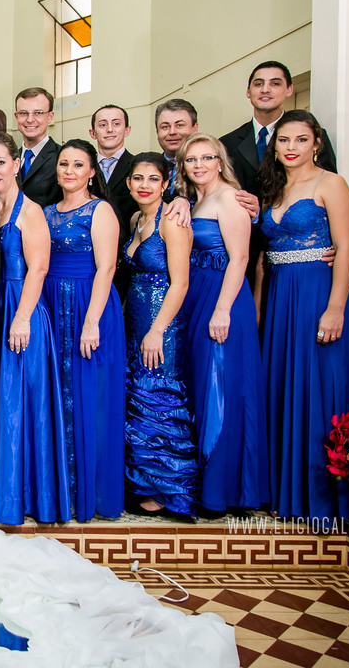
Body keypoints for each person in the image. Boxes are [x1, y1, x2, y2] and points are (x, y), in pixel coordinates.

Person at [257, 110, 349, 520]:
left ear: (316, 143)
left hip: (317, 293)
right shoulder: (273, 189)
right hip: (279, 295)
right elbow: (264, 256)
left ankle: (322, 499)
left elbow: (347, 247)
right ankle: (284, 494)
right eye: (284, 140)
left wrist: (335, 308)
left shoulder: (331, 183)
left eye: (301, 139)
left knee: (317, 387)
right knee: (282, 386)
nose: (291, 147)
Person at [0, 132, 64, 525]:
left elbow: (39, 268)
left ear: (16, 163)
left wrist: (22, 318)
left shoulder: (31, 211)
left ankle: (24, 497)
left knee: (19, 404)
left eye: (0, 162)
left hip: (21, 311)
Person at [176, 135, 270, 516]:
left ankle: (228, 490)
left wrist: (222, 310)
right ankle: (207, 484)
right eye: (191, 159)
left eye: (206, 157)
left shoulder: (230, 197)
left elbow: (240, 258)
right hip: (197, 295)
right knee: (203, 386)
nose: (198, 165)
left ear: (220, 161)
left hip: (223, 299)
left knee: (224, 388)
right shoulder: (194, 201)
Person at [40, 138, 126, 522]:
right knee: (57, 394)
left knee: (90, 395)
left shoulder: (100, 210)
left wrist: (91, 322)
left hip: (88, 304)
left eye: (78, 164)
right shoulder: (44, 212)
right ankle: (60, 489)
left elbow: (107, 268)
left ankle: (90, 493)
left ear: (92, 172)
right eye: (64, 164)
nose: (69, 171)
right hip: (50, 302)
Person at [119, 153, 195, 518]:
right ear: (129, 183)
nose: (144, 185)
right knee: (138, 395)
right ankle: (143, 482)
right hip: (134, 320)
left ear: (166, 184)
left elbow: (180, 283)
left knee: (160, 395)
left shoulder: (172, 221)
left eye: (153, 179)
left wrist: (157, 330)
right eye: (138, 178)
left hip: (161, 322)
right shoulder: (136, 219)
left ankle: (169, 487)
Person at [220, 61, 338, 286]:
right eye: (258, 84)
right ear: (248, 91)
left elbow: (329, 197)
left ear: (289, 90)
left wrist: (333, 243)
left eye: (275, 83)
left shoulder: (312, 137)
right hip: (243, 255)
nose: (265, 89)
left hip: (299, 256)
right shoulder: (226, 144)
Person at [89, 104, 137, 241]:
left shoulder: (138, 167)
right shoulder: (83, 168)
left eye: (116, 124)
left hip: (126, 243)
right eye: (102, 125)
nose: (110, 129)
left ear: (127, 130)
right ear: (92, 133)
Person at [14, 88, 62, 208]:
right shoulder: (9, 158)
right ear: (16, 116)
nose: (30, 120)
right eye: (23, 113)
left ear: (50, 117)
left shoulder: (61, 157)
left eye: (38, 113)